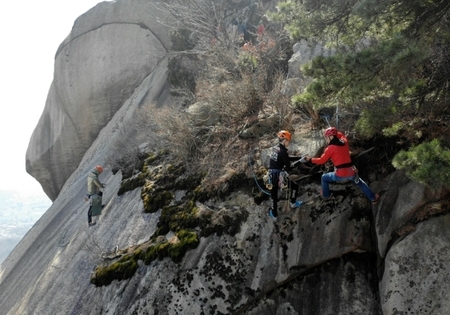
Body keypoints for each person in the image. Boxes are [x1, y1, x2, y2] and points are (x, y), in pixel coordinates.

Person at [304, 127, 379, 204]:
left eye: (326, 137)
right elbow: (342, 135)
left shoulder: (330, 149)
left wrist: (310, 159)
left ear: (330, 137)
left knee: (324, 177)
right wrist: (335, 133)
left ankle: (326, 195)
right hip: (351, 172)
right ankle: (373, 198)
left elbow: (321, 161)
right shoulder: (344, 142)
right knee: (360, 183)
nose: (326, 139)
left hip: (340, 175)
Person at [268, 130, 303, 222]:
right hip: (279, 175)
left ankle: (274, 214)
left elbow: (285, 158)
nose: (289, 143)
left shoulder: (275, 148)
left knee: (273, 195)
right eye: (288, 141)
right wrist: (299, 162)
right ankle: (293, 203)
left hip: (271, 174)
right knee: (294, 186)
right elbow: (289, 167)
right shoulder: (283, 151)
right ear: (285, 140)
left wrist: (299, 157)